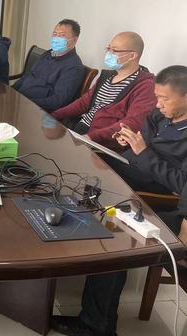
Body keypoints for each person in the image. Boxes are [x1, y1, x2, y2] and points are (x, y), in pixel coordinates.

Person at [51, 65, 187, 336]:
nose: (158, 104)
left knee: (114, 237)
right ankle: (61, 242)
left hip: (159, 195)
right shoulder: (160, 115)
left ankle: (97, 326)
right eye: (157, 97)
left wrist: (143, 153)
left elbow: (181, 184)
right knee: (82, 168)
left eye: (164, 99)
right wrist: (130, 143)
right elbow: (141, 142)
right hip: (136, 171)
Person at [51, 31, 157, 151]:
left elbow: (131, 123)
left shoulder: (146, 86)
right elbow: (83, 103)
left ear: (132, 56)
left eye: (115, 50)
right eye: (108, 49)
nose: (109, 54)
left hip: (101, 143)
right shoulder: (108, 76)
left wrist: (89, 138)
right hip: (81, 129)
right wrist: (54, 115)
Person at [13, 19, 84, 111]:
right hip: (19, 101)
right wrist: (12, 92)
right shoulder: (48, 54)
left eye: (62, 35)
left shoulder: (74, 67)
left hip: (37, 110)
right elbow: (28, 75)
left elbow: (58, 101)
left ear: (74, 40)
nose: (56, 38)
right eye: (55, 34)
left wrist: (25, 103)